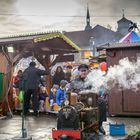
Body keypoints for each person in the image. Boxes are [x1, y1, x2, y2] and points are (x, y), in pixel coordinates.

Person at [69, 64, 107, 135]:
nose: (83, 72)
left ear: (87, 71)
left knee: (102, 102)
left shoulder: (92, 80)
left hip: (91, 100)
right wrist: (74, 93)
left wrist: (95, 92)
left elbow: (97, 90)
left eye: (85, 71)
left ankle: (99, 124)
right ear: (79, 72)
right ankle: (70, 125)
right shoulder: (74, 81)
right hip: (79, 101)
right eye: (82, 71)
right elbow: (70, 92)